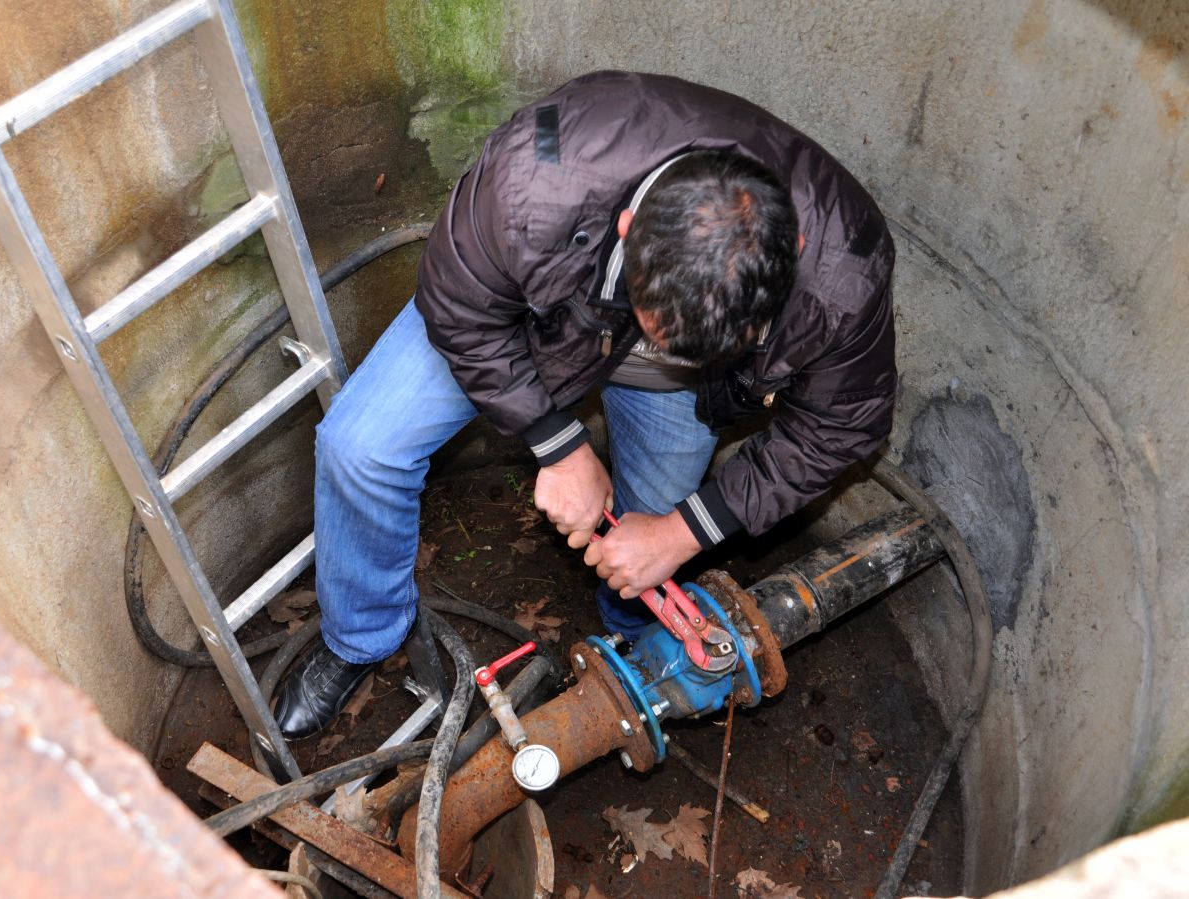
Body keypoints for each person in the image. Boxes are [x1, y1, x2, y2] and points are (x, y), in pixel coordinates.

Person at [273, 70, 896, 738]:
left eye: (714, 343)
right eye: (664, 329)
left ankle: (631, 634)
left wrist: (678, 533)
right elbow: (460, 304)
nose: (677, 350)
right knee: (359, 448)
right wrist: (558, 445)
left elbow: (842, 424)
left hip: (675, 393)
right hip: (537, 325)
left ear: (792, 253)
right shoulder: (535, 182)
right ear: (629, 227)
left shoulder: (843, 270)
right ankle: (360, 636)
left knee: (657, 529)